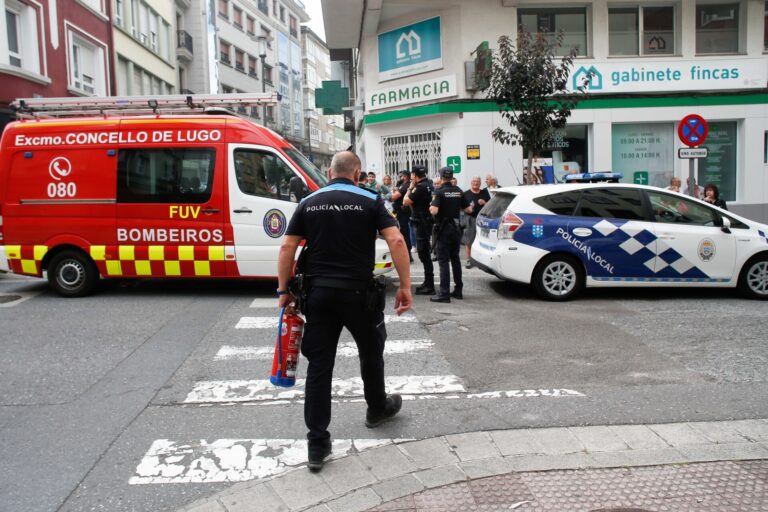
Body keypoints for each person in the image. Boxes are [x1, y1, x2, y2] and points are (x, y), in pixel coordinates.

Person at [277, 151, 413, 472]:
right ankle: (376, 409)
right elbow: (395, 239)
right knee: (371, 351)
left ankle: (317, 443)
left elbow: (287, 247)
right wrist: (405, 286)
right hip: (358, 294)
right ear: (357, 174)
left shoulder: (310, 201)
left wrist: (284, 291)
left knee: (320, 366)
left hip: (319, 295)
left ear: (328, 171)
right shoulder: (369, 200)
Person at [429, 168, 473, 302]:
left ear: (441, 177)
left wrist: (431, 206)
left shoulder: (439, 191)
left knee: (443, 262)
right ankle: (458, 290)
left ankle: (444, 294)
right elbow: (469, 209)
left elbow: (434, 211)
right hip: (456, 228)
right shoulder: (458, 191)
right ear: (451, 176)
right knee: (455, 260)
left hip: (443, 229)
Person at [403, 165, 435, 295]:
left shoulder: (420, 187)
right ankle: (428, 282)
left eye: (412, 176)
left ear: (415, 175)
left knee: (423, 253)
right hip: (426, 221)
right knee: (424, 252)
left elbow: (406, 201)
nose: (411, 178)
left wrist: (410, 188)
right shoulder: (429, 184)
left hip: (421, 223)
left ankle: (429, 285)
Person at [462, 176, 491, 268]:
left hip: (483, 219)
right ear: (471, 182)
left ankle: (482, 261)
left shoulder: (484, 193)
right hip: (470, 218)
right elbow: (461, 207)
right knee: (469, 239)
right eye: (474, 181)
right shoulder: (466, 194)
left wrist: (485, 203)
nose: (476, 183)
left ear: (480, 183)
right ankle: (468, 260)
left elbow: (491, 206)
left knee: (483, 240)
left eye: (478, 181)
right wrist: (467, 209)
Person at [390, 170, 413, 261]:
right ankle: (407, 254)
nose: (400, 178)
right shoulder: (402, 185)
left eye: (402, 176)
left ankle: (408, 255)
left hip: (403, 213)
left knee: (404, 233)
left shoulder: (406, 185)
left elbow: (393, 197)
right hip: (400, 212)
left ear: (406, 176)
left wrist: (393, 193)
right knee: (404, 233)